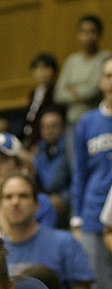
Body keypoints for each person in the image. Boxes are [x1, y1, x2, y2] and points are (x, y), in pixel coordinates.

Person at [0, 172, 96, 289]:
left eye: (23, 196)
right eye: (8, 197)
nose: (15, 202)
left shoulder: (64, 242)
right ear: (0, 206)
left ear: (37, 205)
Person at [72, 54, 112, 289]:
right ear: (100, 81)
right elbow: (80, 174)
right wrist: (77, 218)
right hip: (93, 214)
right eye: (109, 75)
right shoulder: (88, 122)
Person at [54, 14, 112, 162]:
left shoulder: (106, 58)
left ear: (99, 35)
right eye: (84, 32)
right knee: (76, 167)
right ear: (78, 34)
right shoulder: (72, 61)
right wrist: (82, 91)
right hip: (73, 123)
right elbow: (59, 94)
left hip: (99, 121)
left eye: (92, 32)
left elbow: (94, 90)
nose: (88, 36)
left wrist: (73, 89)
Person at [33, 106, 71, 228]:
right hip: (47, 202)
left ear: (63, 128)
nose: (48, 131)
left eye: (53, 126)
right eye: (44, 127)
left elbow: (79, 181)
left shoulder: (71, 150)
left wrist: (62, 198)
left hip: (68, 205)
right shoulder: (38, 152)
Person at [22, 52, 59, 151]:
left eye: (45, 68)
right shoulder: (33, 94)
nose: (41, 72)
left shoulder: (55, 92)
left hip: (44, 144)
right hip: (29, 141)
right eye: (37, 68)